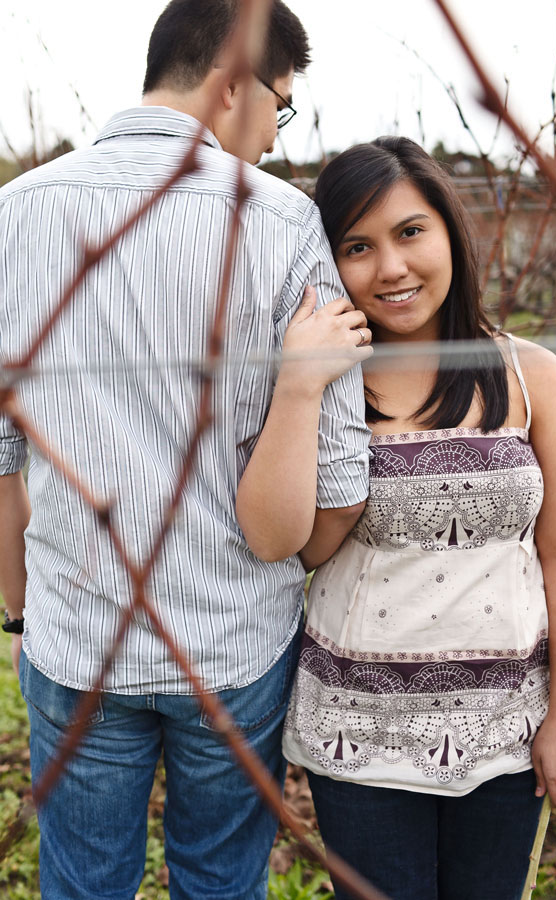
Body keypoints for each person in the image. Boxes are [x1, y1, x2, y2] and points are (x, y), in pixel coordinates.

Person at [0, 2, 373, 898]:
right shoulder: (284, 225)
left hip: (74, 637)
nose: (277, 138)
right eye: (279, 107)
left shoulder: (14, 214)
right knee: (220, 881)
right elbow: (338, 476)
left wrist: (21, 607)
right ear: (233, 82)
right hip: (236, 644)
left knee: (82, 882)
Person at [236, 137, 556, 900]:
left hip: (506, 733)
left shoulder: (532, 378)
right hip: (359, 738)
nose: (391, 268)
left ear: (449, 234)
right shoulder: (331, 388)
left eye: (410, 233)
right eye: (358, 246)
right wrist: (301, 386)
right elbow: (289, 547)